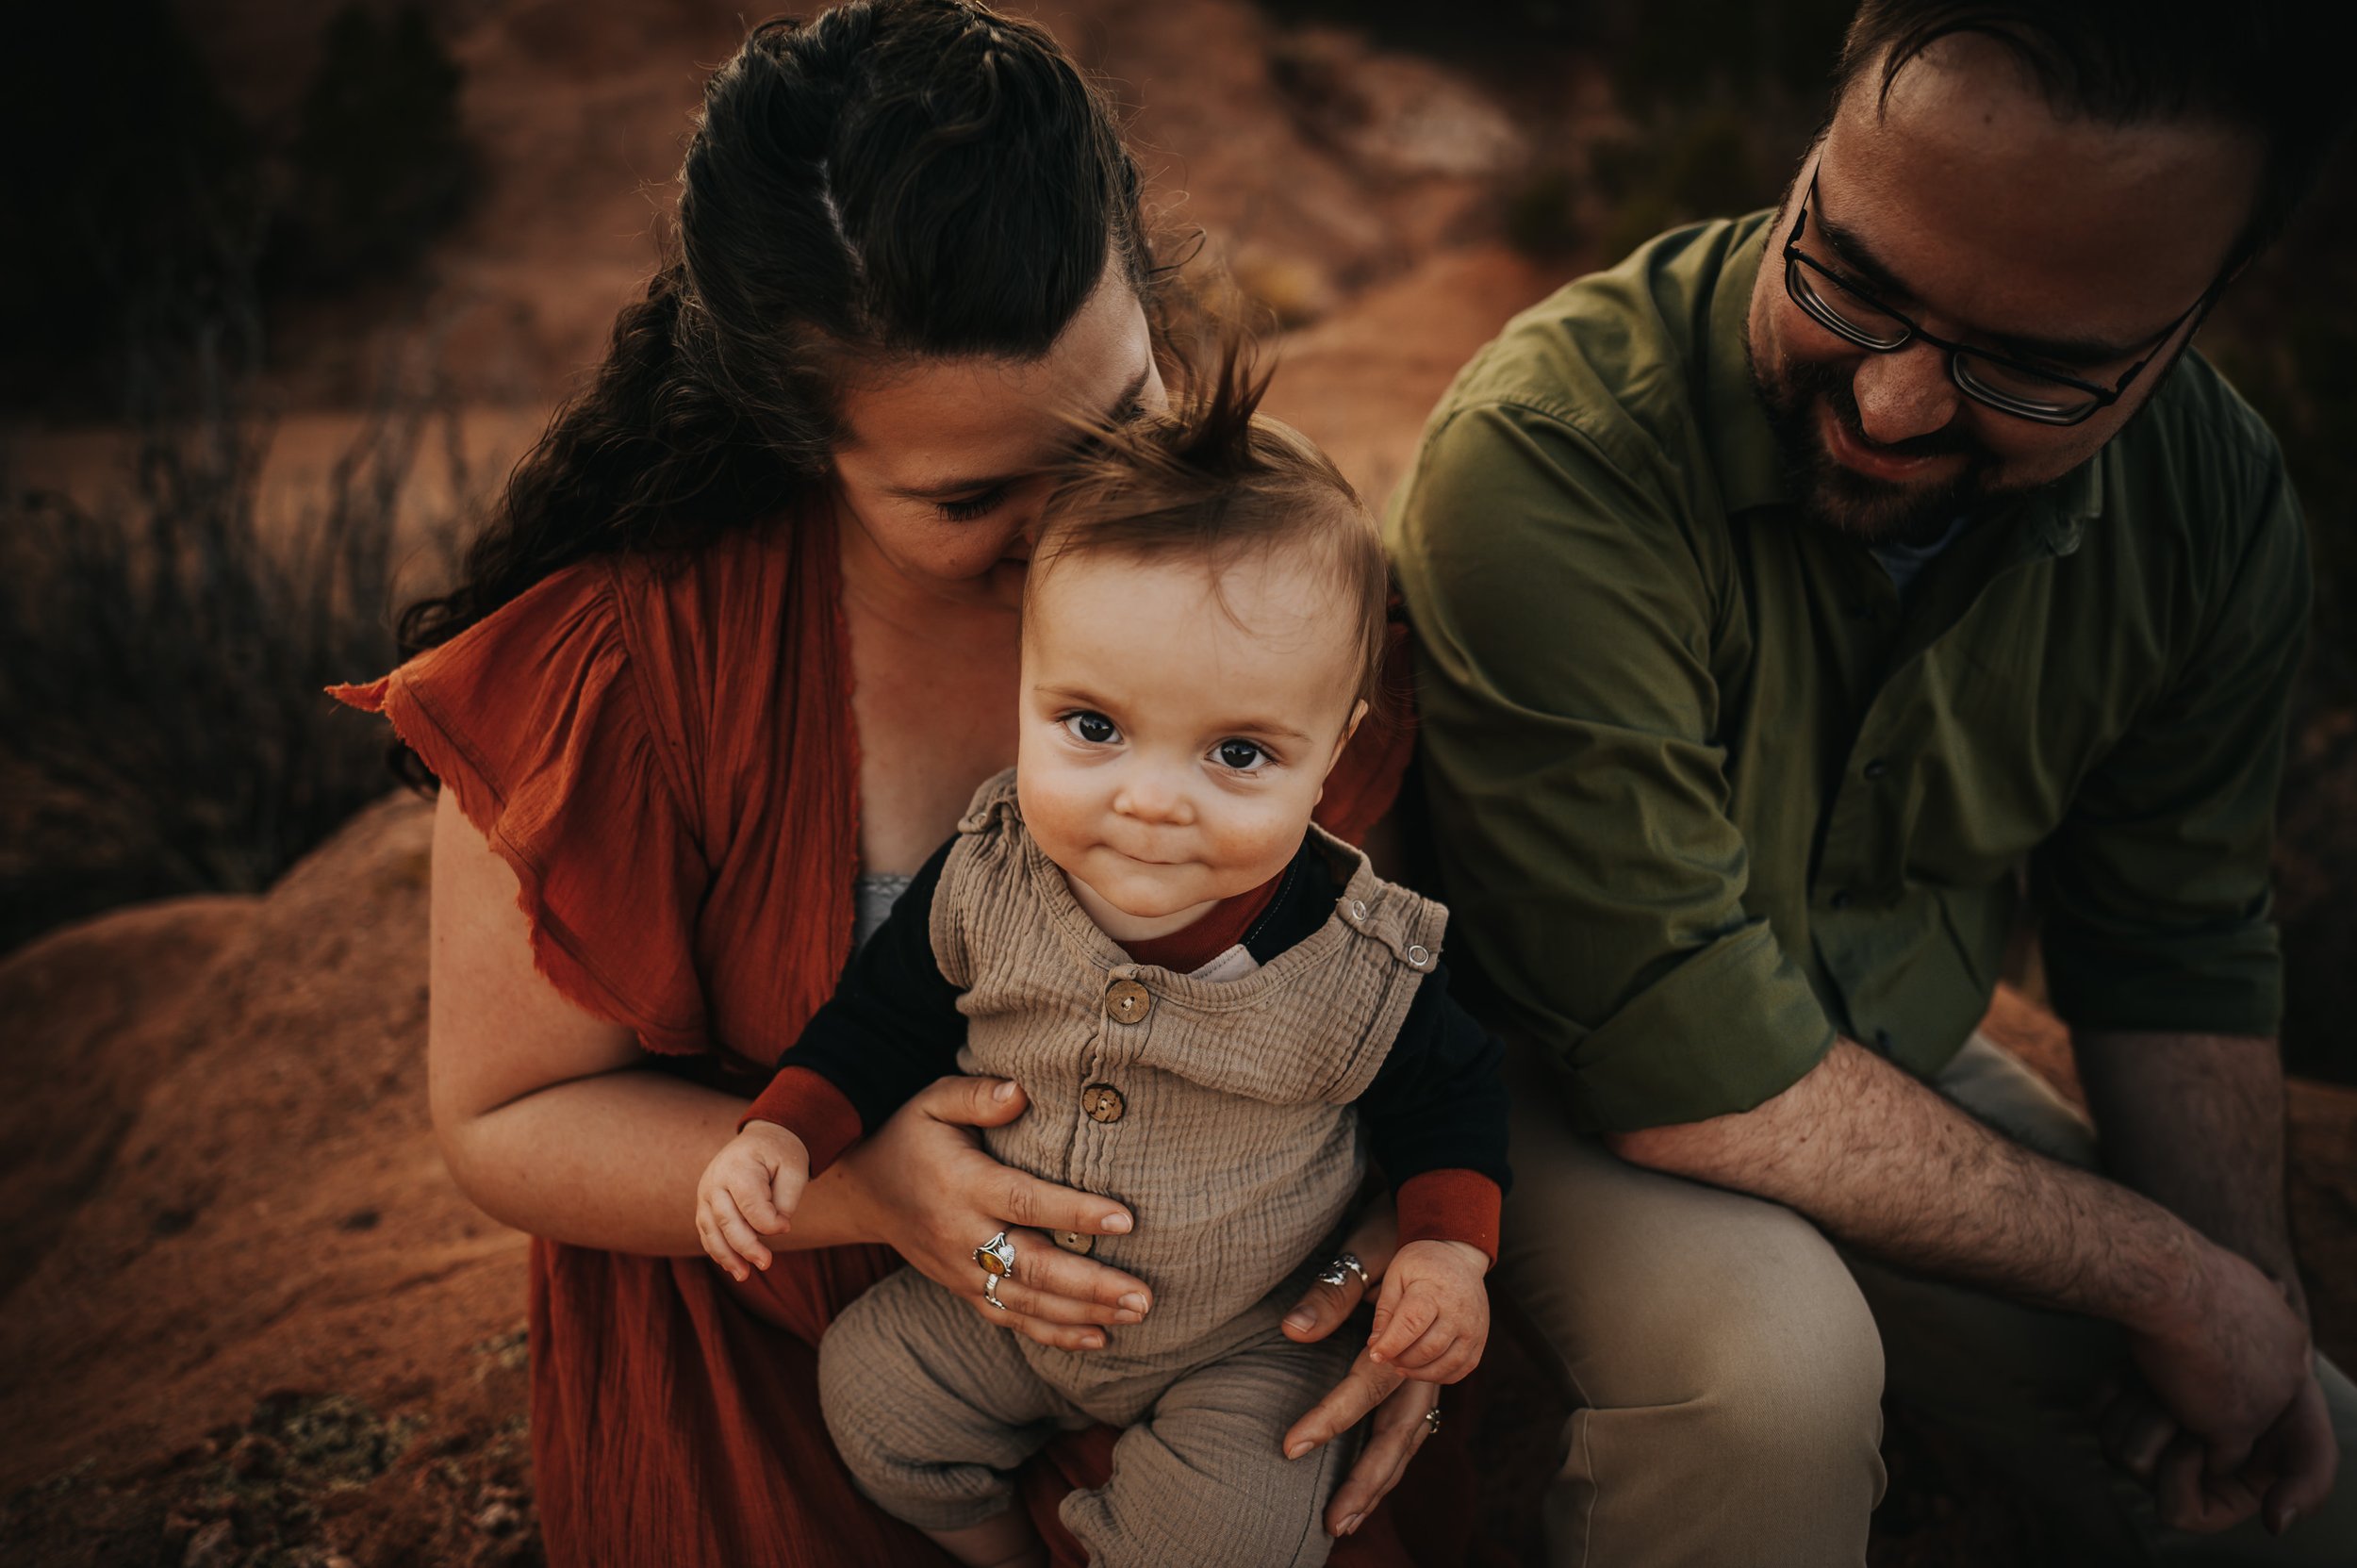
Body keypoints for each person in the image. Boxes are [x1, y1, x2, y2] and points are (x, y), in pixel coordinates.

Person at [329, 4, 1461, 1562]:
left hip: (1211, 1369)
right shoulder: (628, 671)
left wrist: (1404, 1246)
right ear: (800, 440)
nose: (1080, 520)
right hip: (783, 1382)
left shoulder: (1274, 596)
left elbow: (1374, 994)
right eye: (970, 494)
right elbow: (508, 1112)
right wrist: (865, 1191)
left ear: (1145, 285)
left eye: (1117, 420)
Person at [1386, 2, 2356, 1563]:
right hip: (1537, 1056)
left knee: (2312, 1465)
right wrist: (2165, 1275)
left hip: (1880, 1053)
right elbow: (1677, 1051)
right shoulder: (1552, 447)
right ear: (1817, 149)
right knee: (1769, 1384)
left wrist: (2248, 1294)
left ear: (2192, 326)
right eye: (1848, 276)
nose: (1893, 406)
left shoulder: (2217, 504)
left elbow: (2170, 935)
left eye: (2035, 370)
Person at [697, 373, 1510, 1568]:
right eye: (1091, 725)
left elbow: (1455, 1095)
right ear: (1022, 686)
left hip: (1252, 1335)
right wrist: (782, 1133)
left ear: (1335, 747)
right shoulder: (987, 871)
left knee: (1233, 1533)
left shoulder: (1359, 959)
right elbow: (877, 1023)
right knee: (874, 1391)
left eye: (1237, 752)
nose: (1147, 799)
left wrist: (1446, 1246)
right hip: (1000, 1301)